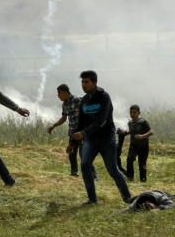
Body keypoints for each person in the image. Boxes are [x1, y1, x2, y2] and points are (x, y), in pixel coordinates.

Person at [72, 70, 132, 205]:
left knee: (112, 169)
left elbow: (102, 120)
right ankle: (92, 200)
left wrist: (84, 133)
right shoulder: (84, 101)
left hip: (106, 138)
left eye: (86, 82)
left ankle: (127, 197)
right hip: (90, 140)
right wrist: (72, 142)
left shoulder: (104, 97)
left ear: (94, 82)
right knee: (85, 165)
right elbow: (80, 123)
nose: (83, 85)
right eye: (82, 82)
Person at [47, 83, 83, 176]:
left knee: (84, 155)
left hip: (81, 132)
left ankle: (92, 175)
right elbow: (63, 118)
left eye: (59, 93)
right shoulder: (65, 104)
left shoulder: (76, 100)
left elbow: (85, 114)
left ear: (64, 92)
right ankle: (74, 172)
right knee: (71, 153)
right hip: (72, 132)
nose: (58, 96)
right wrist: (53, 126)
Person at [119, 104, 152, 182]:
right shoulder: (130, 122)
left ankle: (143, 180)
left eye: (134, 112)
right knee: (129, 160)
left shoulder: (143, 121)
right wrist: (126, 132)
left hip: (143, 146)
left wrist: (142, 136)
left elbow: (151, 132)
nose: (132, 114)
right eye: (131, 113)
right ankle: (130, 177)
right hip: (133, 145)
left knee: (142, 163)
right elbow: (132, 131)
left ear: (139, 113)